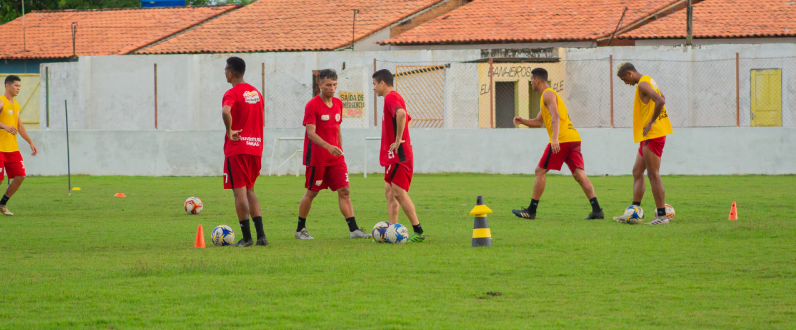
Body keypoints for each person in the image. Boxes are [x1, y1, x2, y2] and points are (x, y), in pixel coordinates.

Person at [510, 68, 603, 220]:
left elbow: (555, 115)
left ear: (537, 80)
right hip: (573, 138)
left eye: (531, 80)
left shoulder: (547, 94)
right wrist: (523, 121)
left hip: (562, 139)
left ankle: (531, 211)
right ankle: (597, 210)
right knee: (579, 174)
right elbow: (539, 121)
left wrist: (554, 139)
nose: (530, 83)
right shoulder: (547, 97)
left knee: (539, 171)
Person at [296, 69, 370, 240]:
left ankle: (354, 230)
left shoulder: (338, 103)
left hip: (335, 158)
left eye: (335, 85)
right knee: (312, 192)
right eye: (328, 85)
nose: (332, 88)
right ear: (320, 85)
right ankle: (300, 229)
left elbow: (338, 130)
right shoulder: (312, 105)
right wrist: (328, 146)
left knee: (345, 190)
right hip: (317, 157)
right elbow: (311, 133)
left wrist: (340, 151)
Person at [614, 62, 673, 225]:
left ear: (630, 74)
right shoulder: (649, 80)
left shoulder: (643, 84)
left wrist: (651, 122)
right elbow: (663, 96)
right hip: (649, 135)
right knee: (637, 171)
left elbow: (660, 101)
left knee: (653, 173)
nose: (626, 83)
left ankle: (662, 216)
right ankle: (633, 211)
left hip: (653, 134)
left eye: (624, 79)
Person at [372, 69, 425, 242]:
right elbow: (407, 118)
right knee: (389, 191)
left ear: (382, 83)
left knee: (399, 192)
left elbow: (402, 114)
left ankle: (418, 231)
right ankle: (392, 231)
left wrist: (399, 139)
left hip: (398, 155)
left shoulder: (390, 97)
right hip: (393, 154)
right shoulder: (393, 98)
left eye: (374, 84)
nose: (374, 88)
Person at [221, 57, 268, 246]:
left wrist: (229, 130)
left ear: (231, 72)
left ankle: (247, 238)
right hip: (255, 148)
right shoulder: (256, 93)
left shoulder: (232, 93)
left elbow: (226, 112)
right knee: (250, 191)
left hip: (238, 148)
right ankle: (262, 236)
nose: (225, 72)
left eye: (225, 70)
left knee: (239, 193)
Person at [0, 75, 38, 216]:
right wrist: (5, 126)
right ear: (7, 86)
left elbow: (20, 126)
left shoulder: (16, 105)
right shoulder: (1, 102)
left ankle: (2, 204)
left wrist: (30, 142)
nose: (18, 89)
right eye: (16, 86)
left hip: (12, 149)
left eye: (20, 86)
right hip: (0, 149)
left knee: (21, 176)